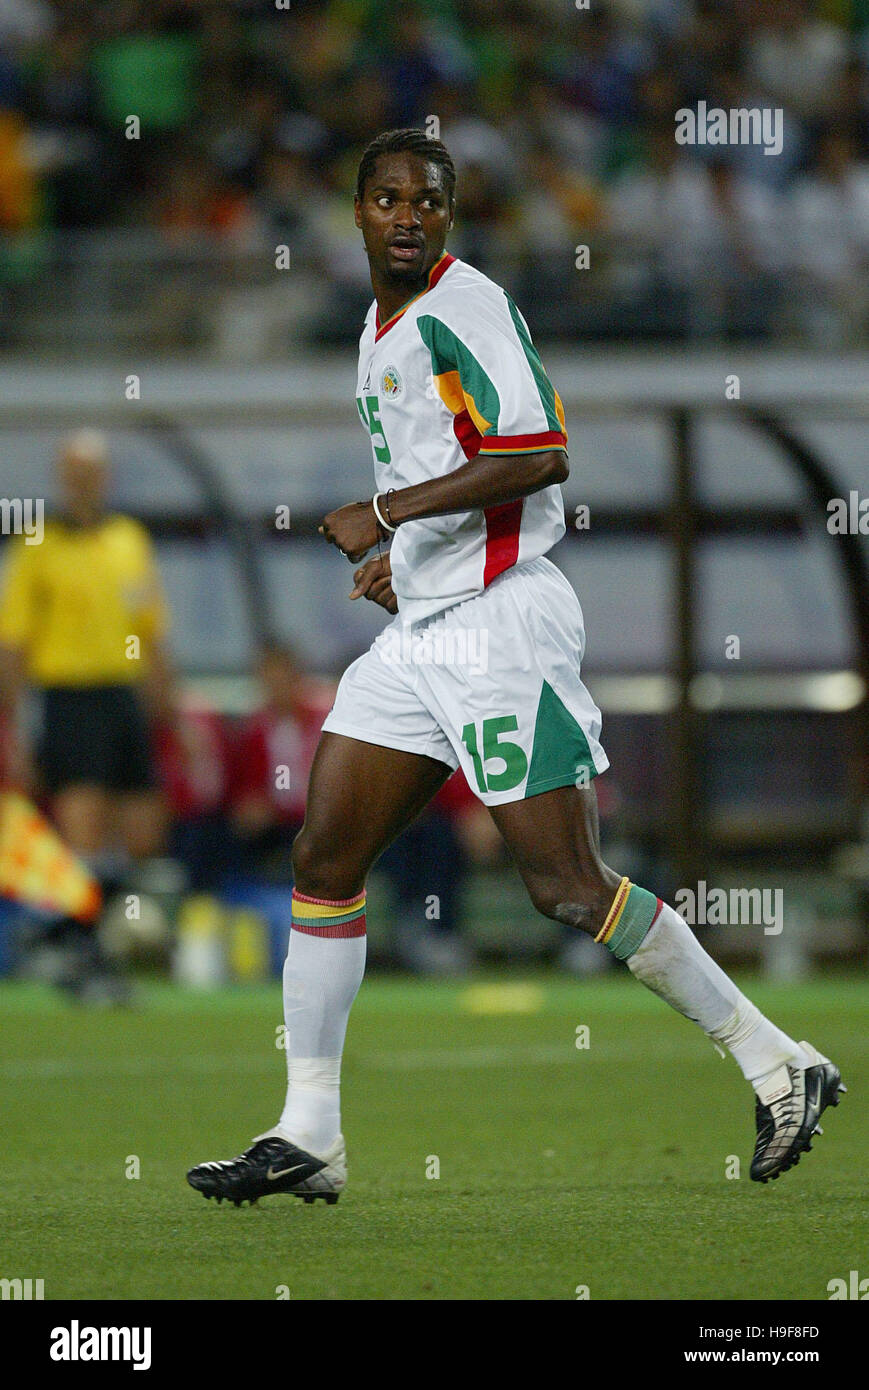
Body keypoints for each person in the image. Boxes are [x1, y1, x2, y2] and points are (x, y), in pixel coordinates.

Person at [188, 128, 844, 1207]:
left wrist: (384, 513)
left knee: (562, 885)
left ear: (447, 217)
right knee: (323, 853)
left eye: (426, 201)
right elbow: (459, 464)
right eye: (387, 198)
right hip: (424, 631)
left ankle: (775, 1060)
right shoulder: (379, 323)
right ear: (355, 212)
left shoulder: (463, 306)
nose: (406, 215)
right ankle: (307, 1130)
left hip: (501, 631)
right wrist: (407, 562)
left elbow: (537, 453)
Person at [0, 429, 170, 997]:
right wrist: (16, 725)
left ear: (106, 478)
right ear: (61, 477)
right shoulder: (38, 544)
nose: (83, 481)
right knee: (85, 830)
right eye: (73, 471)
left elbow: (150, 632)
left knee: (142, 835)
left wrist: (167, 706)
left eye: (92, 471)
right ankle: (88, 961)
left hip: (123, 696)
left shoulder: (128, 539)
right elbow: (15, 645)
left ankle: (60, 935)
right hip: (68, 697)